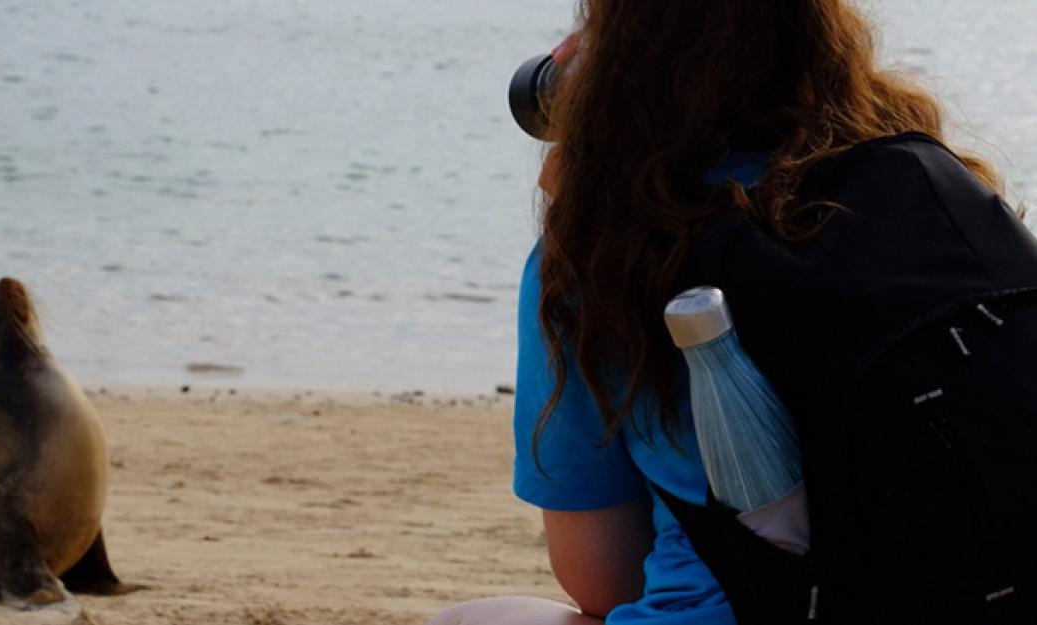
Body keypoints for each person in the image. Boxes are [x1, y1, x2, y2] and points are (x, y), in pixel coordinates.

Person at [429, 1, 1010, 624]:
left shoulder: (603, 255)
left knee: (473, 618)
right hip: (983, 597)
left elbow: (600, 580)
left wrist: (591, 196)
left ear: (618, 67)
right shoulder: (930, 194)